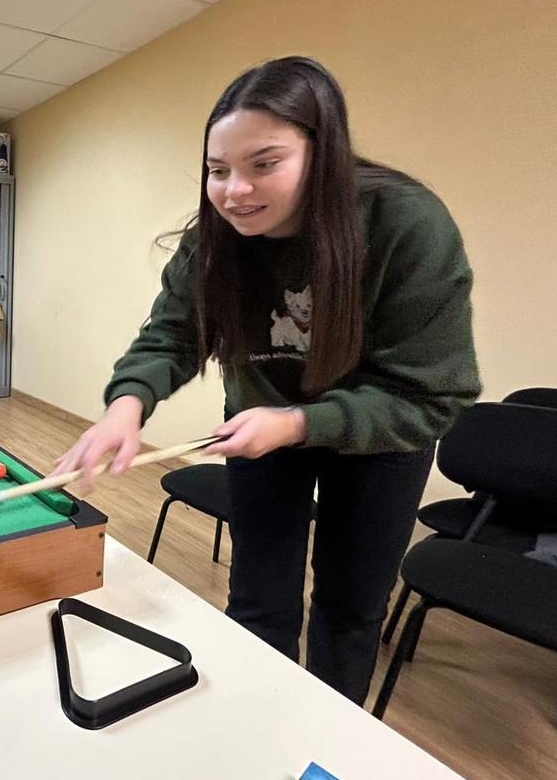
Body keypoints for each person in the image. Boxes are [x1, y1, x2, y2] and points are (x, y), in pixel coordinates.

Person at [53, 57, 481, 705]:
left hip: (381, 442)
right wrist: (127, 406)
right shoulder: (213, 241)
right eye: (217, 170)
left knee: (351, 606)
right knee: (260, 597)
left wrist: (300, 423)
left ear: (323, 151)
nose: (233, 191)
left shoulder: (407, 224)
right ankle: (258, 720)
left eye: (263, 163)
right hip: (258, 428)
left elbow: (431, 394)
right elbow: (172, 335)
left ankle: (326, 739)